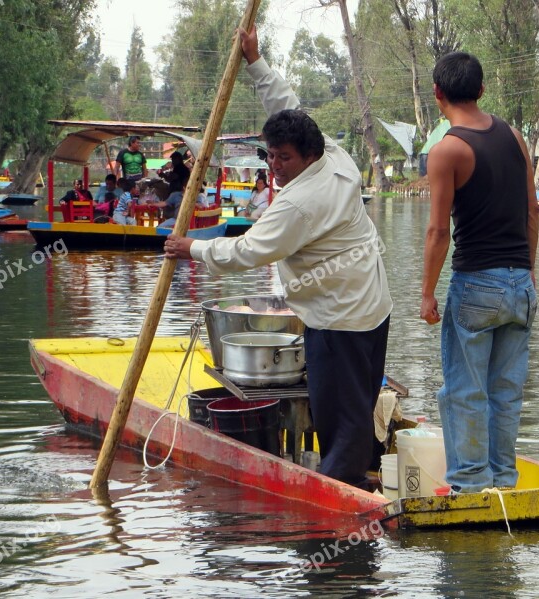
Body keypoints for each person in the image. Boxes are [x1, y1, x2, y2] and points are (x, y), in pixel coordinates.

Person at [164, 25, 392, 488]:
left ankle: (339, 499)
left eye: (282, 159)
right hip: (371, 306)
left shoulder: (299, 202)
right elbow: (284, 104)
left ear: (308, 156)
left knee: (341, 421)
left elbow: (247, 251)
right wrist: (255, 60)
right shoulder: (335, 156)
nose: (274, 167)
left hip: (338, 319)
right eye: (270, 156)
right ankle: (364, 473)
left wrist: (193, 247)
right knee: (358, 405)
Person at [420, 51, 539, 494]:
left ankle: (471, 484)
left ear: (437, 94)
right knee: (505, 391)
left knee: (464, 391)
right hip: (519, 282)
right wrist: (528, 273)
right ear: (482, 89)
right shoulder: (515, 137)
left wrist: (427, 293)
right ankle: (503, 481)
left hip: (476, 286)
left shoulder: (447, 149)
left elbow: (437, 232)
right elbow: (532, 212)